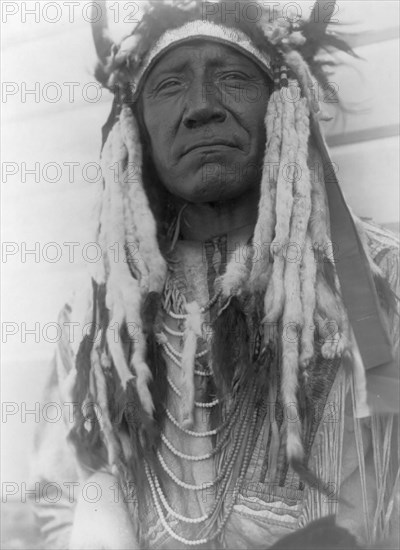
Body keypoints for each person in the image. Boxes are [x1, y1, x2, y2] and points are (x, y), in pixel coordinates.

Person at [30, 1, 399, 548]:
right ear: (137, 130)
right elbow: (60, 501)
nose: (201, 106)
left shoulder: (380, 283)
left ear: (284, 106)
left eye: (232, 78)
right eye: (169, 85)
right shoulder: (103, 319)